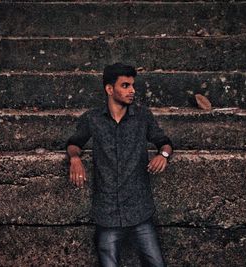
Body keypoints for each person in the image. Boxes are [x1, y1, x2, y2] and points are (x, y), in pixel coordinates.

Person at [66, 63, 173, 267]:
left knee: (156, 264)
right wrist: (75, 158)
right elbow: (74, 143)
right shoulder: (93, 118)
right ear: (109, 89)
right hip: (107, 213)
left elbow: (164, 141)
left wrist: (164, 155)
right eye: (125, 85)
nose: (132, 90)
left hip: (139, 210)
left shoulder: (142, 116)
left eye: (132, 85)